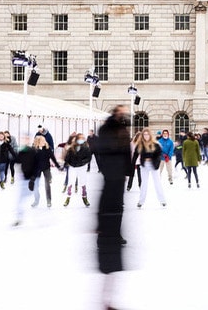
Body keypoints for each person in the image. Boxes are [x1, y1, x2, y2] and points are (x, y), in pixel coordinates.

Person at [93, 104, 133, 310]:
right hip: (109, 216)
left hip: (113, 212)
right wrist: (99, 223)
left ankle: (107, 300)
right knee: (109, 264)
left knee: (112, 266)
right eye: (122, 113)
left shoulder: (121, 132)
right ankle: (105, 301)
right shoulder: (110, 132)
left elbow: (126, 153)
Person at [133, 128, 167, 208]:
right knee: (144, 183)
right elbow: (135, 155)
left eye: (147, 134)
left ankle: (162, 200)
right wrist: (132, 165)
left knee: (157, 183)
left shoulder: (155, 144)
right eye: (144, 134)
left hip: (154, 165)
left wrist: (157, 162)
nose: (146, 136)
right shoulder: (140, 144)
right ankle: (141, 201)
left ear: (150, 135)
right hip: (144, 165)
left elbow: (159, 154)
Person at [12, 134, 38, 227]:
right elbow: (17, 161)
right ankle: (19, 218)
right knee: (20, 200)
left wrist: (33, 178)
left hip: (32, 178)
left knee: (34, 195)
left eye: (26, 139)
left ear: (29, 140)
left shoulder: (33, 151)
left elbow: (36, 166)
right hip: (24, 179)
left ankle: (39, 217)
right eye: (23, 138)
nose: (25, 140)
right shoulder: (22, 151)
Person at [31, 135, 62, 208]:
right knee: (36, 185)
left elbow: (53, 158)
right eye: (42, 141)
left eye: (44, 140)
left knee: (47, 185)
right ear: (38, 142)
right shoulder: (34, 149)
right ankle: (36, 200)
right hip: (37, 169)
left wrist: (58, 166)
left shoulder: (48, 148)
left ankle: (49, 200)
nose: (44, 142)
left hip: (46, 168)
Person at [63, 132, 92, 207]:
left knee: (83, 182)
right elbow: (67, 157)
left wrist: (82, 162)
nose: (81, 139)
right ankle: (68, 198)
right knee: (70, 182)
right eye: (80, 138)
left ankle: (84, 197)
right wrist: (65, 164)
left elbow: (89, 158)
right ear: (77, 139)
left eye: (83, 138)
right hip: (73, 167)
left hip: (82, 167)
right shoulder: (72, 148)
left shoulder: (86, 148)